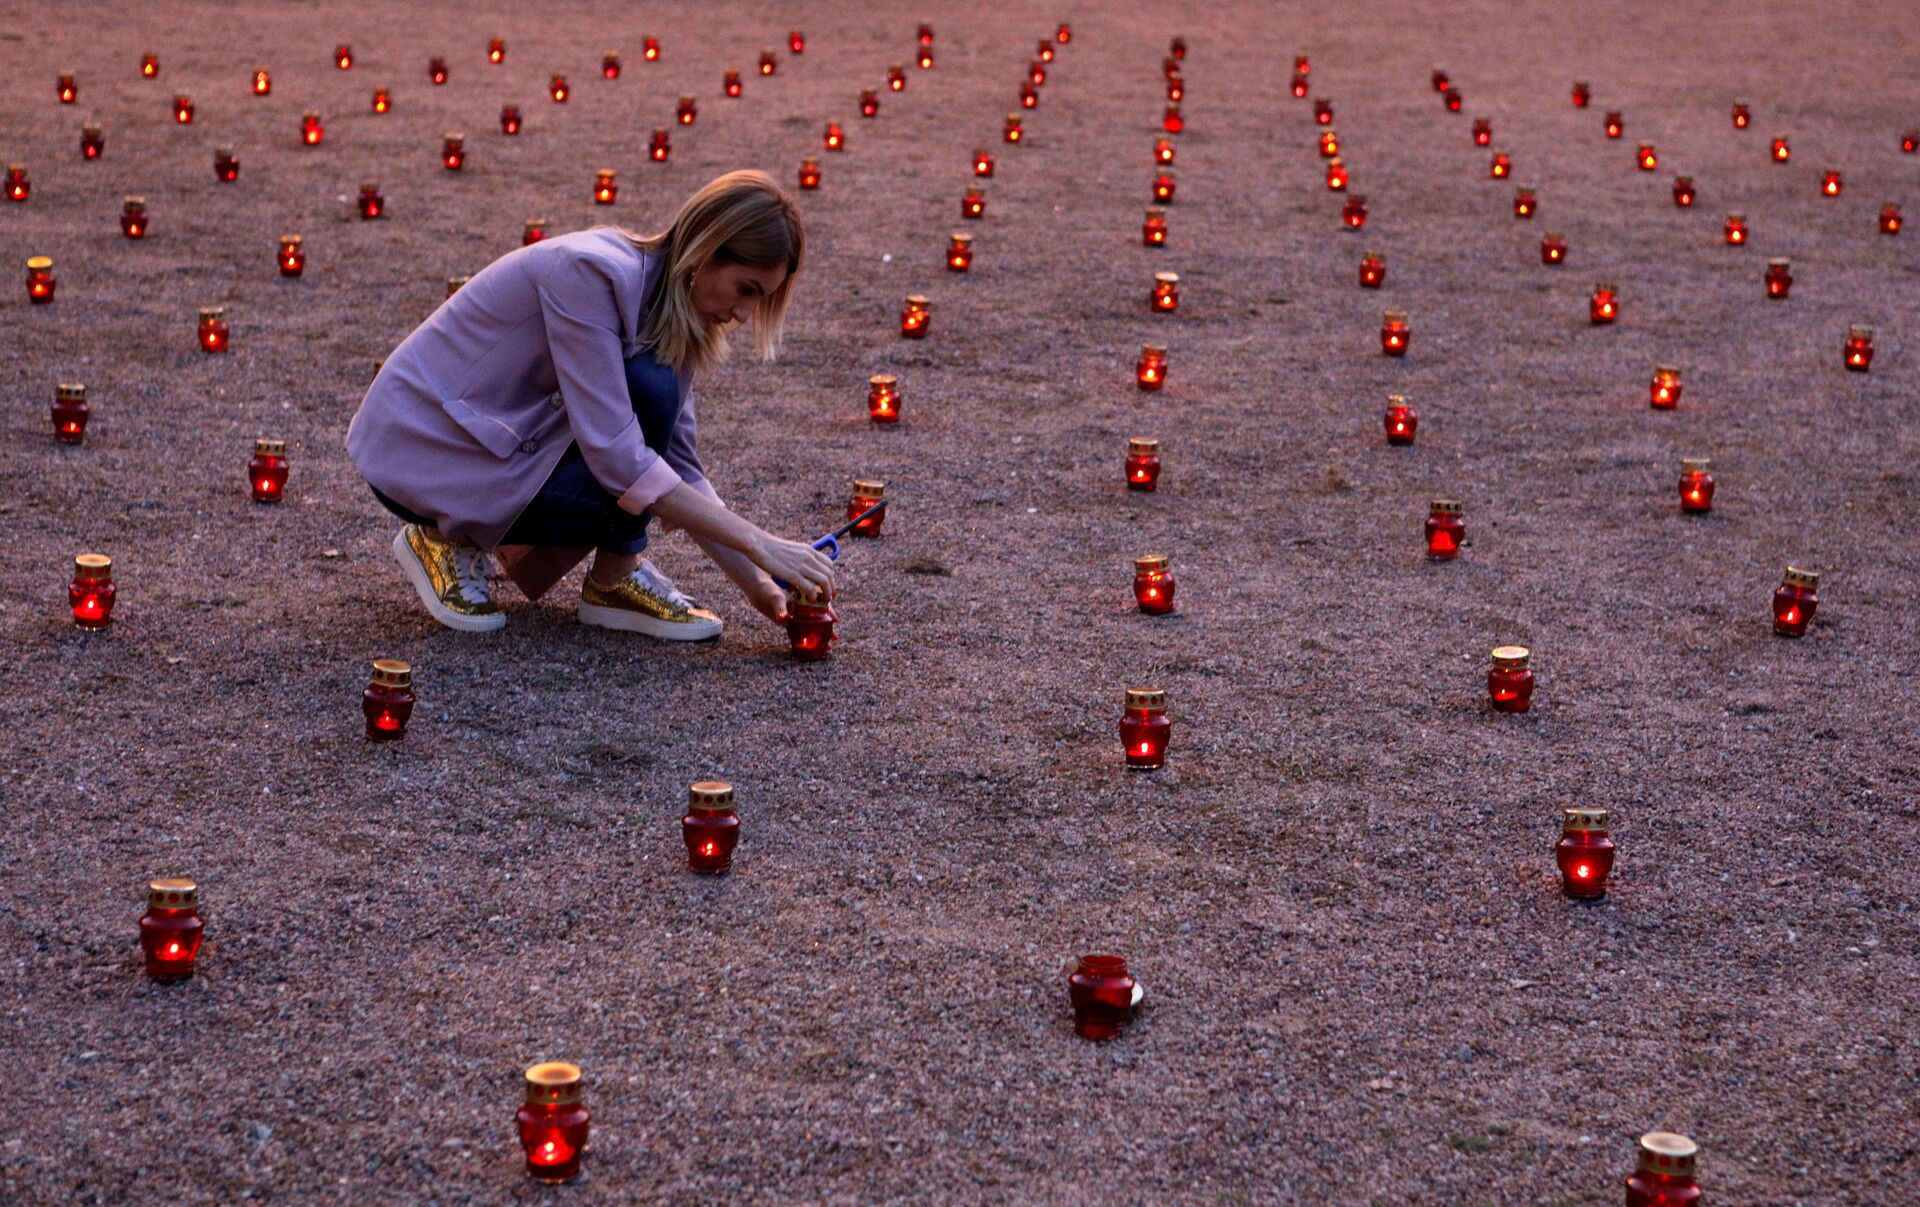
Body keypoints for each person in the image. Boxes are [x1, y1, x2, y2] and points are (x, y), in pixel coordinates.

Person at [346, 169, 836, 640]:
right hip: (422, 448)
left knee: (653, 406)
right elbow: (620, 460)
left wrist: (760, 585)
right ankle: (442, 536)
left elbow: (680, 465)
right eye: (746, 290)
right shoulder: (588, 272)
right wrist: (760, 542)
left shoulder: (672, 309)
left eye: (760, 300)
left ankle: (612, 581)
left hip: (497, 447)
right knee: (643, 427)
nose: (744, 315)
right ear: (705, 250)